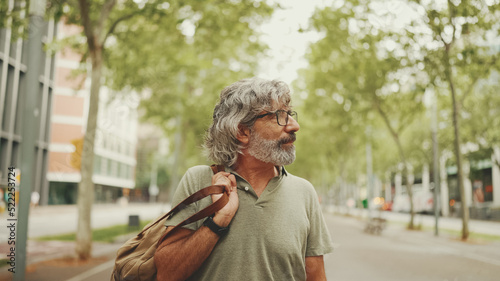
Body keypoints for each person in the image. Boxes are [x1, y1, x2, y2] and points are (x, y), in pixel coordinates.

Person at [154, 77, 334, 281]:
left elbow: (316, 276)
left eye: (290, 114)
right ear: (242, 131)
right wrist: (217, 222)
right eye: (280, 116)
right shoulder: (199, 181)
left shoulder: (304, 192)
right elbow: (166, 274)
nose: (294, 126)